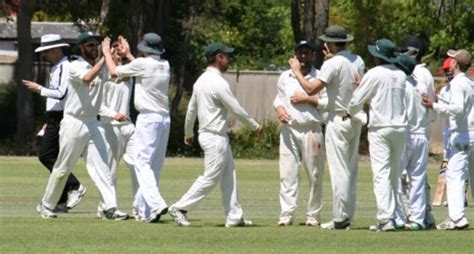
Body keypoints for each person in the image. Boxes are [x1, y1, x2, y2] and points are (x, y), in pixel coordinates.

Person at [168, 42, 262, 227]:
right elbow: (235, 108)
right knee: (211, 177)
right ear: (219, 57)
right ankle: (179, 208)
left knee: (229, 175)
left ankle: (234, 216)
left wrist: (188, 133)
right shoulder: (218, 82)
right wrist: (254, 126)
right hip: (214, 137)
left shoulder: (200, 81)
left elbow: (191, 111)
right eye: (227, 56)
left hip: (211, 136)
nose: (229, 59)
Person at [36, 31, 123, 220]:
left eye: (96, 45)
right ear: (82, 48)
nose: (94, 48)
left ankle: (110, 207)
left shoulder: (102, 65)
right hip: (74, 122)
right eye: (90, 45)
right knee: (62, 167)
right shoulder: (74, 65)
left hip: (93, 122)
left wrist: (120, 55)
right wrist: (105, 58)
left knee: (102, 166)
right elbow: (87, 78)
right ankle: (47, 204)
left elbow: (118, 76)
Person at [288, 25, 366, 230]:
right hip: (355, 117)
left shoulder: (333, 63)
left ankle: (340, 218)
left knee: (340, 170)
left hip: (337, 119)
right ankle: (347, 214)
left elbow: (311, 88)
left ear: (331, 43)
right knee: (350, 169)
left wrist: (296, 71)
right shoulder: (358, 60)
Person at [103, 33, 170, 223]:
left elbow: (114, 72)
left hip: (148, 119)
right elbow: (141, 68)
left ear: (144, 48)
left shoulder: (142, 64)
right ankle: (145, 211)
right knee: (154, 166)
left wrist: (107, 53)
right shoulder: (164, 65)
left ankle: (156, 204)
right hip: (164, 120)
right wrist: (130, 54)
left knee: (141, 163)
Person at [347, 39, 407, 232]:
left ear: (378, 56)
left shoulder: (374, 73)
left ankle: (385, 218)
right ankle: (396, 216)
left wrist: (350, 111)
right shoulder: (401, 74)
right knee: (395, 174)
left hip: (381, 128)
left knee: (381, 173)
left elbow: (357, 99)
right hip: (400, 127)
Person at [22, 34, 85, 212]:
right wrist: (47, 120)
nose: (44, 55)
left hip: (61, 118)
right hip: (54, 118)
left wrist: (39, 89)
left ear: (57, 50)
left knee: (46, 156)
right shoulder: (56, 67)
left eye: (46, 51)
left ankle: (75, 186)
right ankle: (61, 201)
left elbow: (61, 93)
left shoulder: (66, 67)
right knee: (56, 159)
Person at [273, 40, 325, 227]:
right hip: (289, 130)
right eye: (300, 53)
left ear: (312, 55)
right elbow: (278, 99)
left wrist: (307, 99)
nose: (303, 56)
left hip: (311, 129)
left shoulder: (320, 76)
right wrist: (280, 111)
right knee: (287, 174)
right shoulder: (285, 76)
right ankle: (286, 214)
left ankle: (313, 215)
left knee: (315, 174)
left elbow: (325, 103)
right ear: (295, 55)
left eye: (307, 53)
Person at [422, 49, 472, 230]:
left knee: (454, 176)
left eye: (451, 61)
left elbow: (458, 108)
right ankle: (456, 217)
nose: (449, 63)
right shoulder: (469, 82)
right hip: (469, 133)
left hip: (460, 134)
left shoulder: (458, 84)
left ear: (456, 64)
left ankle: (457, 218)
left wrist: (433, 105)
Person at [96, 40, 139, 220]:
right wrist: (113, 114)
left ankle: (140, 208)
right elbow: (95, 104)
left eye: (119, 50)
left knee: (138, 166)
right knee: (111, 170)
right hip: (109, 126)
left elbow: (145, 69)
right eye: (114, 51)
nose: (117, 53)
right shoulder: (101, 73)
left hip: (129, 126)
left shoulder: (127, 70)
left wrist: (128, 52)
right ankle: (106, 208)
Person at [393, 54, 431, 230]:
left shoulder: (402, 85)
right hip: (421, 134)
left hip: (406, 134)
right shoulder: (421, 84)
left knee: (396, 176)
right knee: (417, 178)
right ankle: (417, 218)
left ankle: (399, 216)